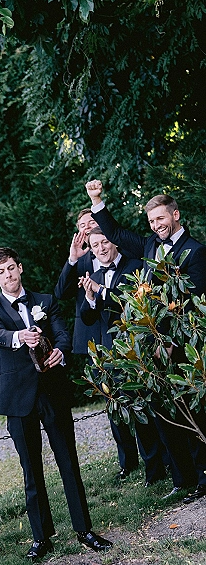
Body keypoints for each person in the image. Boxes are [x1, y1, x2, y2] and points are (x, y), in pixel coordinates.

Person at [0, 246, 112, 561]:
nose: (8, 275)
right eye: (1, 271)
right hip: (17, 398)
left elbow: (64, 334)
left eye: (11, 267)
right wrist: (19, 337)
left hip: (52, 391)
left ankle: (85, 530)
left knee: (69, 461)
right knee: (31, 469)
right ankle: (41, 537)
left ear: (20, 268)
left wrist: (60, 352)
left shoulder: (46, 301)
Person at [85, 180, 206, 503]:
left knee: (190, 412)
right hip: (152, 349)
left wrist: (167, 338)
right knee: (165, 415)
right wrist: (96, 201)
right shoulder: (150, 247)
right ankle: (182, 479)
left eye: (161, 219)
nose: (156, 226)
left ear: (175, 215)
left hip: (182, 347)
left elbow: (192, 300)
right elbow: (117, 234)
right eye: (152, 221)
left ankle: (203, 475)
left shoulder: (195, 252)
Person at [79, 227, 168, 484]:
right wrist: (90, 297)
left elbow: (127, 302)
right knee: (135, 412)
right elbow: (87, 317)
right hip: (114, 354)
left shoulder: (133, 267)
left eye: (104, 242)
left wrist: (102, 291)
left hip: (140, 349)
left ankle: (168, 462)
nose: (101, 249)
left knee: (153, 408)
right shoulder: (94, 275)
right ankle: (153, 470)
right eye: (95, 246)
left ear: (114, 243)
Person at [54, 208, 102, 355]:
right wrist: (72, 259)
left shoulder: (117, 252)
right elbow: (61, 293)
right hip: (90, 336)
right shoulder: (78, 261)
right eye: (82, 225)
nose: (87, 227)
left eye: (92, 222)